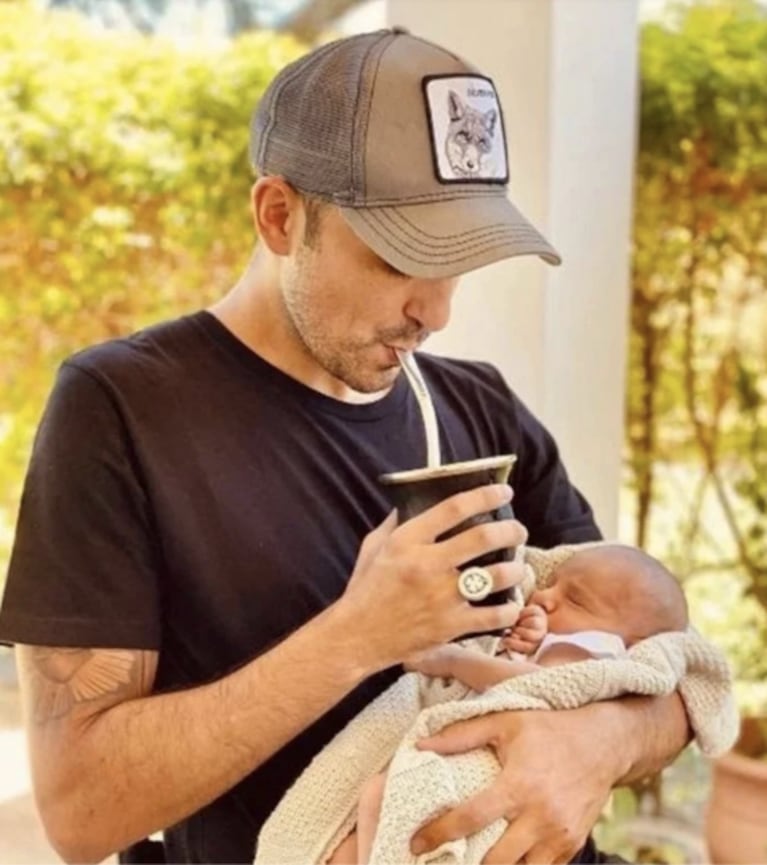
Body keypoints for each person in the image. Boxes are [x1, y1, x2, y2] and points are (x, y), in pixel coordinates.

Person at [0, 28, 695, 865]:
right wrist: (356, 636)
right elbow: (80, 811)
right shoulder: (122, 409)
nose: (434, 311)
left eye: (460, 258)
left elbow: (669, 662)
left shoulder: (480, 411)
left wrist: (600, 743)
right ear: (281, 215)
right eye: (402, 257)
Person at [264, 543, 692, 865]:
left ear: (629, 642)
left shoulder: (596, 655)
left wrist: (452, 660)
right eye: (549, 585)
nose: (544, 596)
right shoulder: (560, 630)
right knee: (376, 809)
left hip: (486, 780)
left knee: (384, 808)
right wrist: (527, 637)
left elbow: (541, 684)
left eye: (575, 599)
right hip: (473, 770)